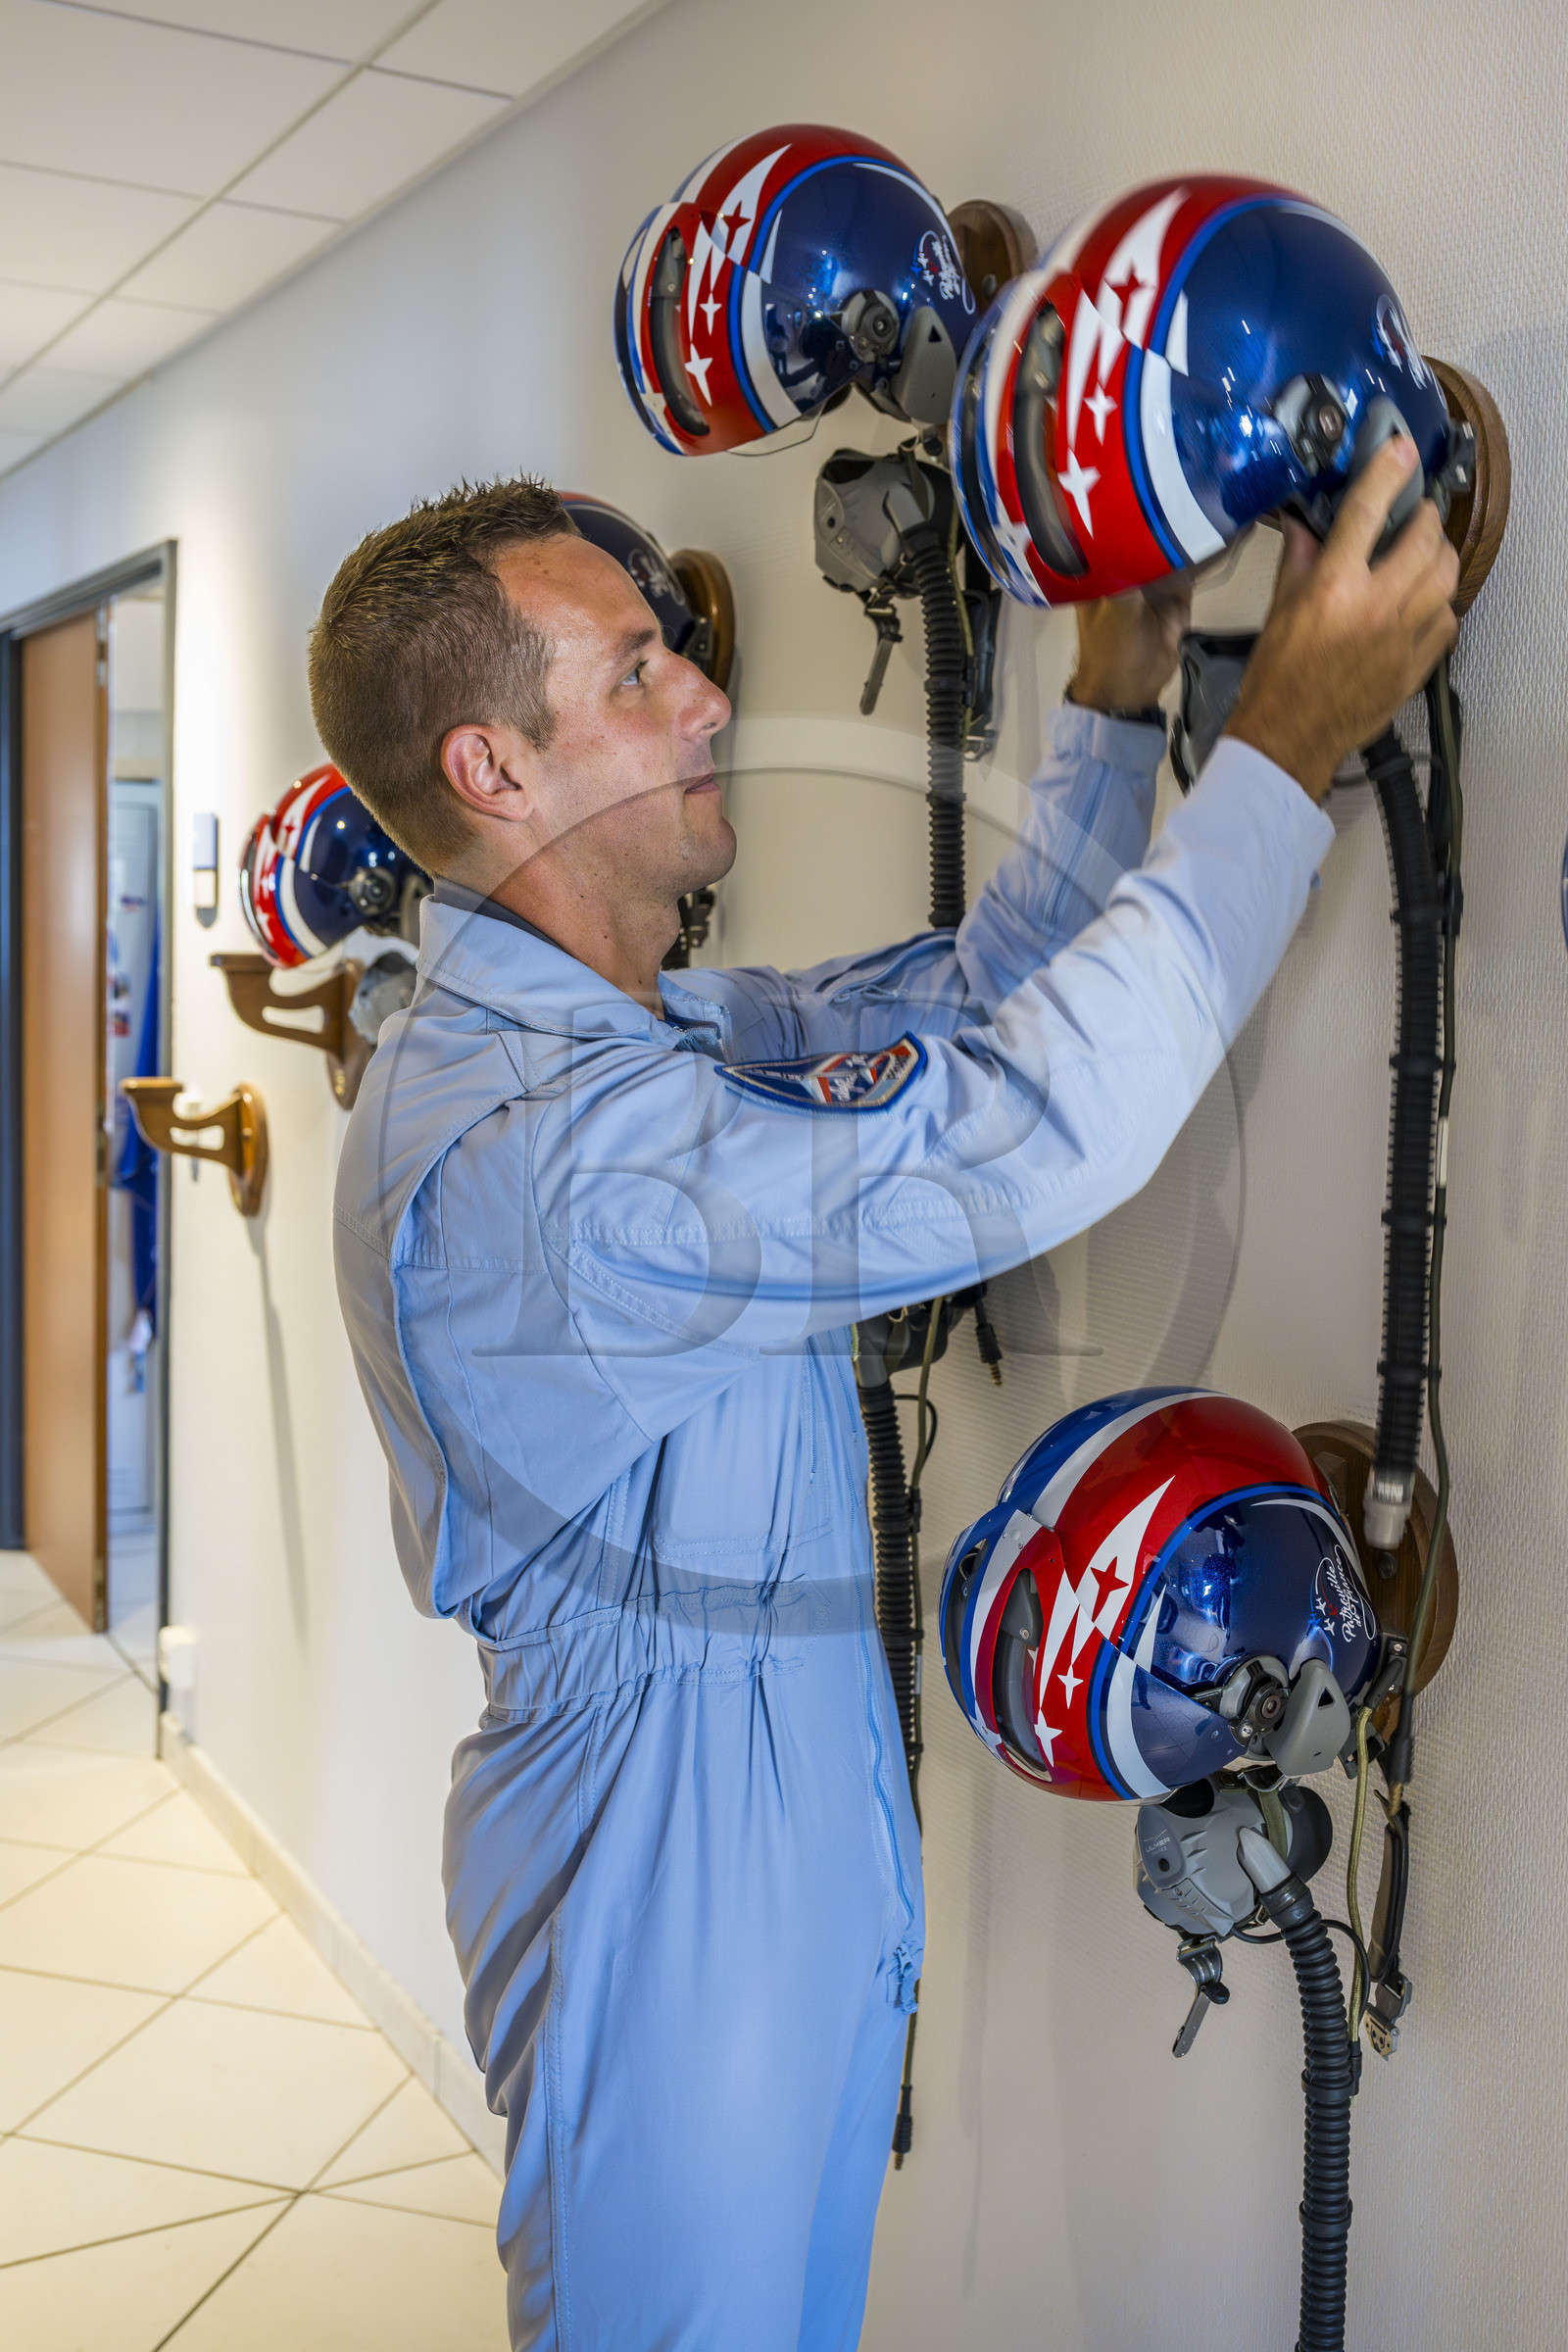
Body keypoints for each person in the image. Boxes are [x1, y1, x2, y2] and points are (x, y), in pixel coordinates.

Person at [314, 444, 1457, 2351]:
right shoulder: (546, 1163)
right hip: (654, 1870)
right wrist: (1280, 747)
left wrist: (1109, 701)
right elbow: (1031, 1131)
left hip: (749, 1812)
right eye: (634, 672)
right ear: (491, 774)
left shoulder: (637, 1042)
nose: (702, 693)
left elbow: (967, 1012)